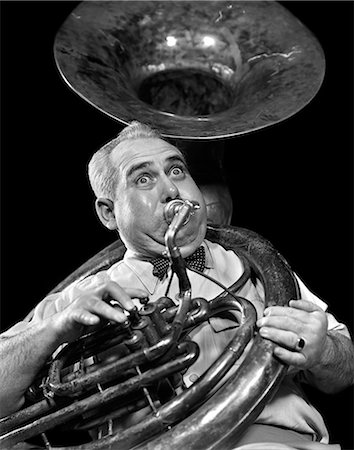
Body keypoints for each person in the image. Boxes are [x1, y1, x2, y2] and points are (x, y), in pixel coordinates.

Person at [0, 122, 353, 449]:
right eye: (143, 179)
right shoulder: (79, 297)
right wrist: (53, 330)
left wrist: (323, 350)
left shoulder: (253, 264)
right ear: (108, 213)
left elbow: (345, 370)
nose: (171, 189)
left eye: (176, 170)